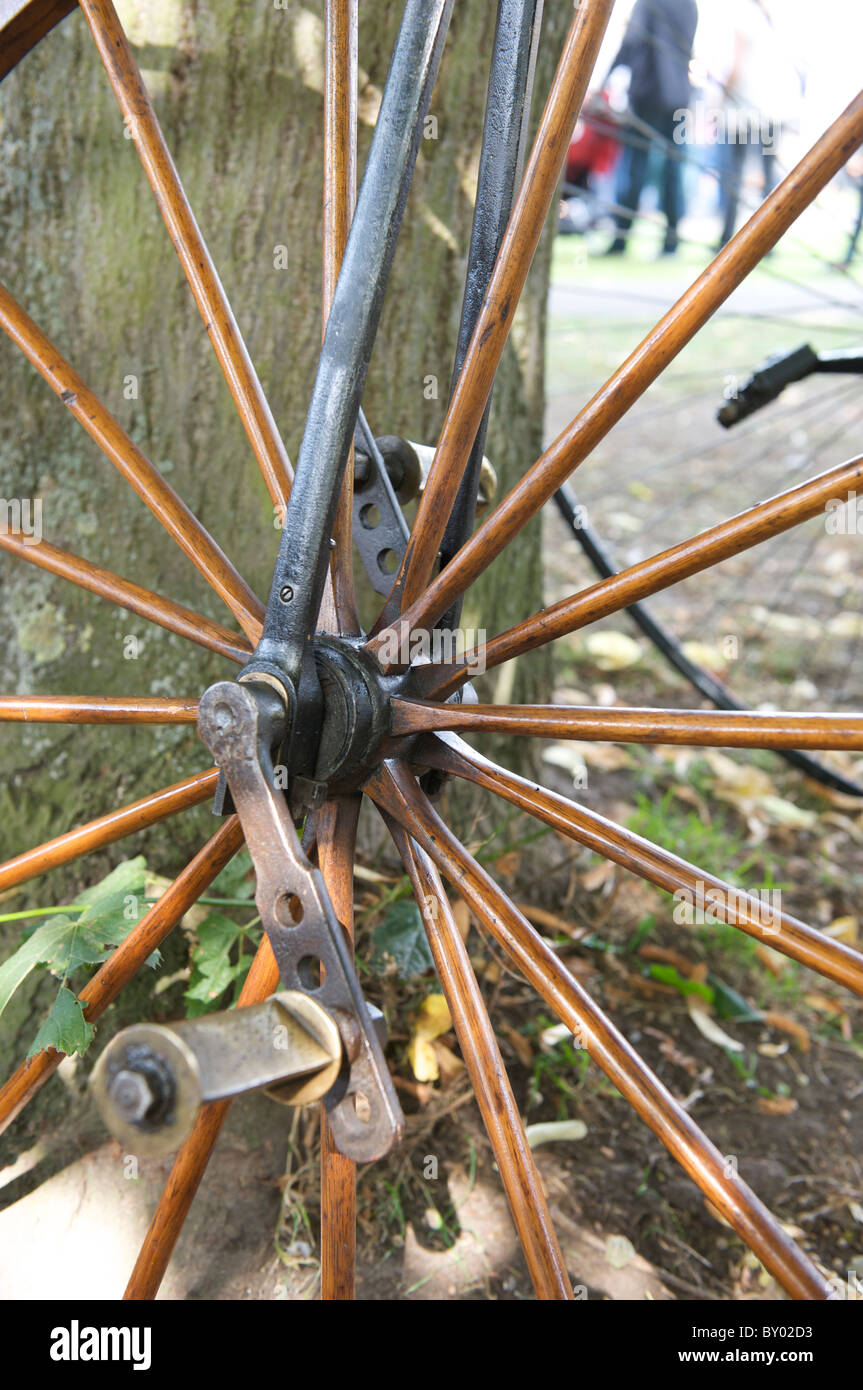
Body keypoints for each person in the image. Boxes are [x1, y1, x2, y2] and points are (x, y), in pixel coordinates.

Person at [604, 0, 699, 257]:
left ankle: (621, 237)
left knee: (634, 167)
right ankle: (671, 239)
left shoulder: (649, 2)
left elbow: (632, 41)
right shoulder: (690, 5)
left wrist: (608, 77)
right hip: (679, 97)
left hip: (648, 95)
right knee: (673, 168)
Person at [716, 0, 801, 249]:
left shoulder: (743, 15)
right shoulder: (771, 17)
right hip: (773, 107)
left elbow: (736, 66)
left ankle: (727, 236)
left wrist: (721, 98)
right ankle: (769, 237)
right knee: (767, 174)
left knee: (734, 171)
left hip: (747, 107)